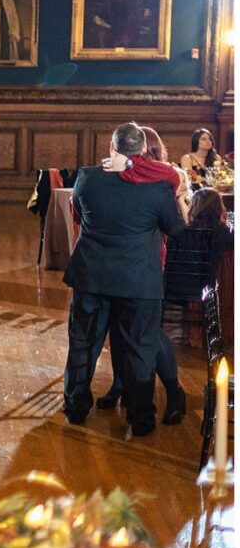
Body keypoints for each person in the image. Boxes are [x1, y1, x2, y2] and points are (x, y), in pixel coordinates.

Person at [62, 122, 185, 437]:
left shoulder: (87, 178)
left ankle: (75, 408)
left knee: (83, 344)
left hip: (92, 277)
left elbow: (79, 217)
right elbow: (175, 228)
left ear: (112, 149)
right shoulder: (159, 186)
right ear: (143, 150)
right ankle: (141, 417)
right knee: (140, 348)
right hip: (138, 281)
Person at [97, 126, 189, 424]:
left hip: (154, 259)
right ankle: (121, 383)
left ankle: (174, 390)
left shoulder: (165, 174)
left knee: (146, 332)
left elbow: (171, 186)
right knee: (120, 324)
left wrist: (129, 164)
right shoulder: (126, 171)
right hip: (119, 262)